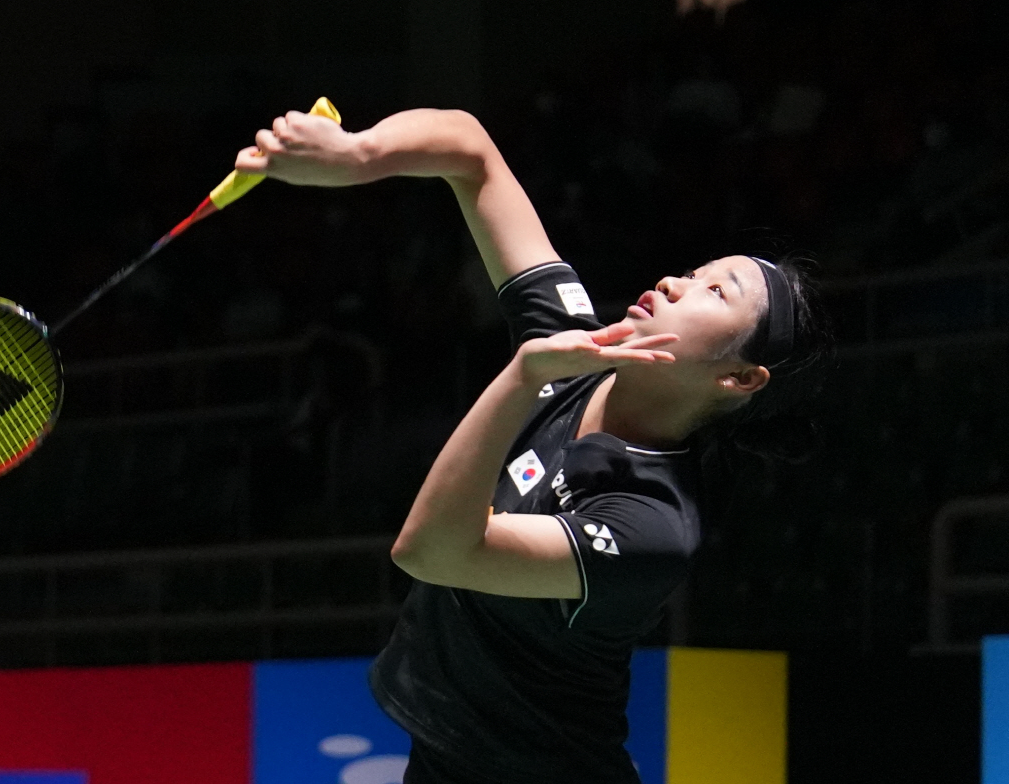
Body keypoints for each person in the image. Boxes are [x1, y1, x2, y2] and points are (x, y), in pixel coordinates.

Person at [235, 108, 832, 784]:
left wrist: (524, 375)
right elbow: (470, 151)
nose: (674, 282)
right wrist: (357, 153)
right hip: (448, 759)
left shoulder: (652, 522)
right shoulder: (575, 350)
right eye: (694, 270)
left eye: (714, 291)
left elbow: (432, 551)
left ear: (739, 376)